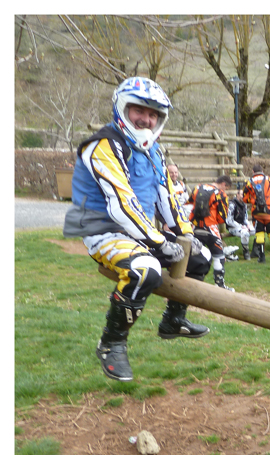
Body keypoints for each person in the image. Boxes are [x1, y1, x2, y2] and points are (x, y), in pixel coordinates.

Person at [63, 77, 211, 382]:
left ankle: (173, 320)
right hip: (105, 230)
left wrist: (186, 235)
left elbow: (166, 196)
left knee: (200, 256)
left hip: (139, 229)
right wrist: (157, 240)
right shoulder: (103, 144)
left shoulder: (153, 151)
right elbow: (121, 203)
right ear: (122, 108)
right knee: (145, 269)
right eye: (138, 110)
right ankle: (111, 344)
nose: (146, 119)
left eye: (153, 114)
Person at [189, 175, 235, 291]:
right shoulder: (221, 194)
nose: (225, 190)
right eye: (226, 188)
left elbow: (189, 204)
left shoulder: (197, 187)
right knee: (219, 255)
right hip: (210, 227)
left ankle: (190, 282)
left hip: (194, 226)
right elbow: (222, 217)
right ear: (224, 184)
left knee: (193, 254)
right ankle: (219, 284)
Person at [242, 164, 270, 264]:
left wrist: (253, 200)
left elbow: (244, 198)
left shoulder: (249, 182)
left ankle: (261, 258)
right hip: (269, 211)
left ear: (253, 172)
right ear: (262, 171)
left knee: (259, 233)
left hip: (256, 212)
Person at [226, 188, 255, 260]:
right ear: (237, 195)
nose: (243, 196)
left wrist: (247, 224)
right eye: (242, 194)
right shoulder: (232, 204)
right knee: (245, 233)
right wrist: (241, 226)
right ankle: (246, 252)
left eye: (244, 195)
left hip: (242, 226)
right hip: (232, 227)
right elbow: (229, 221)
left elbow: (245, 218)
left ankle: (256, 251)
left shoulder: (244, 204)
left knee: (258, 230)